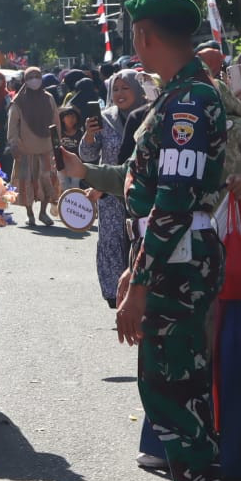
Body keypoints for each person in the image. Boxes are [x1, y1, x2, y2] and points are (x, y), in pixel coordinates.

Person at [113, 0, 228, 481]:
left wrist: (138, 283)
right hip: (170, 259)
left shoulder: (188, 104)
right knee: (168, 387)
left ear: (145, 36)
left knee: (176, 392)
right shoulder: (180, 96)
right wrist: (136, 267)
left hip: (179, 264)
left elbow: (175, 203)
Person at [135, 78, 241, 481]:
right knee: (177, 350)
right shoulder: (161, 130)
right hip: (180, 261)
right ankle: (171, 448)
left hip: (235, 265)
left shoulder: (240, 133)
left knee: (234, 356)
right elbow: (135, 178)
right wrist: (86, 174)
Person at [78, 70, 147, 307]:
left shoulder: (151, 117)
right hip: (107, 194)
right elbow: (87, 155)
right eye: (115, 89)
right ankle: (115, 295)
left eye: (125, 88)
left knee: (137, 240)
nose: (119, 93)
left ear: (138, 89)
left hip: (140, 191)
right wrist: (88, 136)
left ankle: (138, 294)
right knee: (112, 242)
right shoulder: (105, 118)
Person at [7, 66, 61, 226]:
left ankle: (43, 213)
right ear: (25, 80)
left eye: (37, 76)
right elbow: (12, 126)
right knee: (26, 183)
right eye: (30, 77)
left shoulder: (48, 98)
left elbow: (56, 121)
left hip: (46, 149)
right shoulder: (18, 101)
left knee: (47, 183)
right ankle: (30, 214)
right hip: (25, 151)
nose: (34, 80)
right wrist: (14, 143)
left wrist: (57, 143)